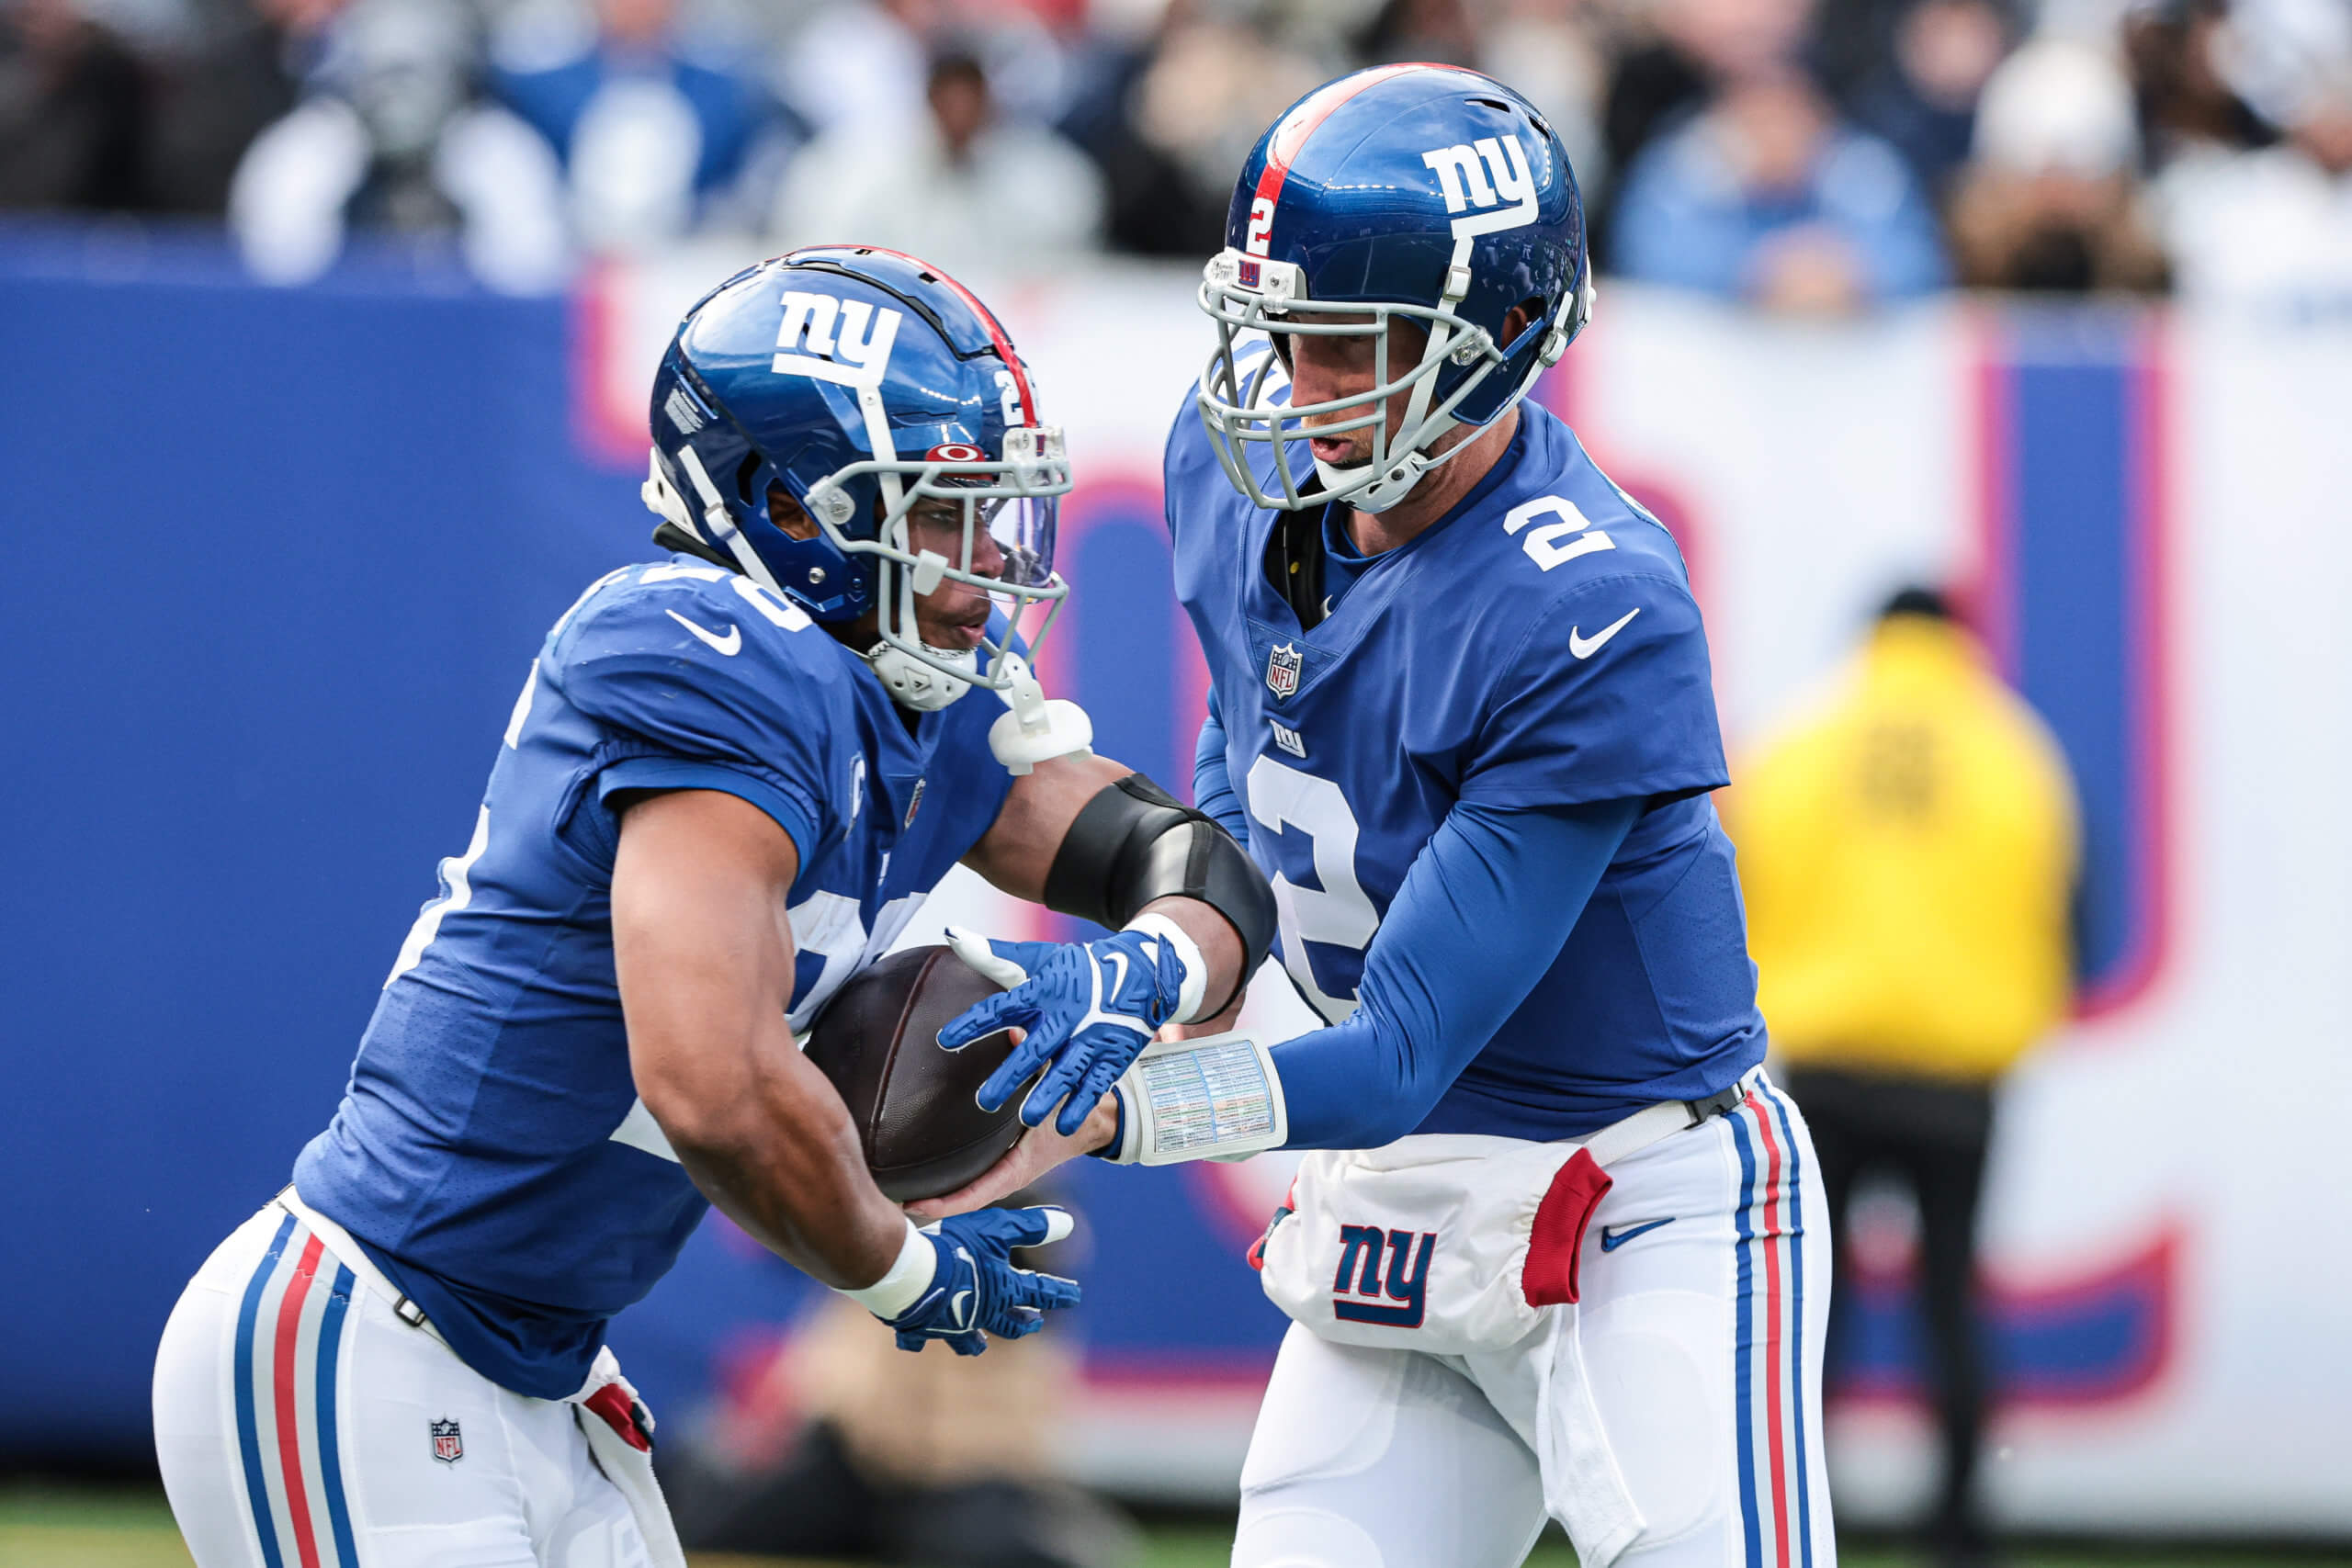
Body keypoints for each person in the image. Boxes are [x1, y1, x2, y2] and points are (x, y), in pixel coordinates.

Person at [149, 247, 1276, 1568]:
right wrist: (900, 1270)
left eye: (992, 512)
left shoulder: (915, 709)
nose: (982, 566)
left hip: (545, 1374)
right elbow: (711, 1081)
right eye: (935, 512)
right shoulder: (703, 649)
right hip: (382, 1334)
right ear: (783, 507)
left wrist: (1147, 965)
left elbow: (1190, 865)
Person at [916, 65, 1834, 1568]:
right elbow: (1249, 765)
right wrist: (1167, 963)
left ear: (1501, 342)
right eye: (1286, 332)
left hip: (1635, 1201)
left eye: (1352, 344)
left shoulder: (1588, 602)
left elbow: (1405, 1050)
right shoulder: (1231, 465)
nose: (1300, 383)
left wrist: (1108, 1110)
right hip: (1400, 1205)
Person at [1724, 586, 2079, 1568]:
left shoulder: (1803, 738)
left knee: (1806, 1307)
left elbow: (1728, 884)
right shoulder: (2012, 751)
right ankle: (1959, 1531)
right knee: (1952, 1298)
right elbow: (2069, 909)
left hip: (1827, 1062)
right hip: (1957, 1075)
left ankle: (1795, 1515)